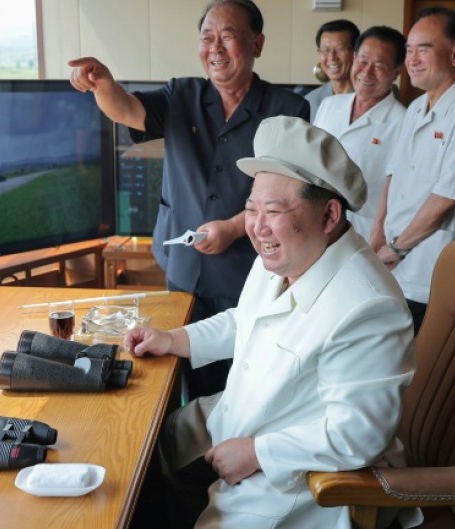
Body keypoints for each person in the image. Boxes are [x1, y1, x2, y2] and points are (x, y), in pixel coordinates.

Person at [124, 116, 416, 529]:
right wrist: (173, 339)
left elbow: (359, 433)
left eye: (273, 211)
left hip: (302, 477)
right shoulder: (286, 254)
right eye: (250, 209)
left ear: (330, 215)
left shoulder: (368, 307)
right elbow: (247, 320)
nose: (257, 227)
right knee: (146, 446)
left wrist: (260, 452)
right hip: (241, 415)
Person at [68, 0, 309, 399]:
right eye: (207, 37)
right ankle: (181, 445)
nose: (215, 47)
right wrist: (104, 84)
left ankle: (222, 448)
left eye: (228, 37)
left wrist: (233, 227)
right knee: (171, 368)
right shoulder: (183, 93)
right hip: (183, 265)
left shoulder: (287, 109)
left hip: (248, 268)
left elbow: (287, 188)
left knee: (237, 373)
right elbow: (128, 110)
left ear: (257, 44)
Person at [374, 6, 455, 331]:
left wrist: (397, 248)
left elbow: (446, 198)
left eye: (424, 49)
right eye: (409, 50)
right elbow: (394, 174)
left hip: (432, 264)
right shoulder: (415, 107)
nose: (412, 59)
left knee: (422, 366)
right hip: (395, 256)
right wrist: (379, 238)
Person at [313, 25, 406, 245]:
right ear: (354, 58)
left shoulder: (403, 122)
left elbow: (399, 192)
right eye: (362, 61)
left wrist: (380, 240)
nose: (366, 72)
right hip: (317, 226)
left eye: (379, 65)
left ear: (397, 72)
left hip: (367, 236)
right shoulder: (329, 105)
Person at [305, 19, 359, 118]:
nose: (332, 57)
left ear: (356, 52)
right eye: (325, 50)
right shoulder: (311, 101)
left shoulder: (371, 97)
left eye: (340, 49)